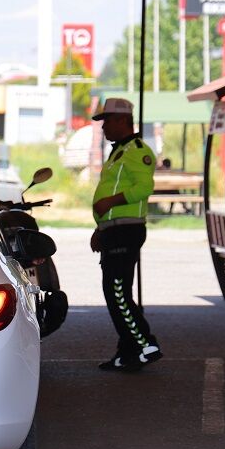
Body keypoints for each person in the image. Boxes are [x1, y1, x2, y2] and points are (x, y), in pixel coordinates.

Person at [89, 97, 162, 372]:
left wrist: (111, 202)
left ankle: (145, 344)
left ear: (122, 120)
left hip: (126, 229)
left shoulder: (136, 150)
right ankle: (128, 353)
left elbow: (144, 187)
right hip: (112, 229)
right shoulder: (118, 151)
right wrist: (100, 227)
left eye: (107, 120)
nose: (104, 126)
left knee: (117, 291)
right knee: (117, 291)